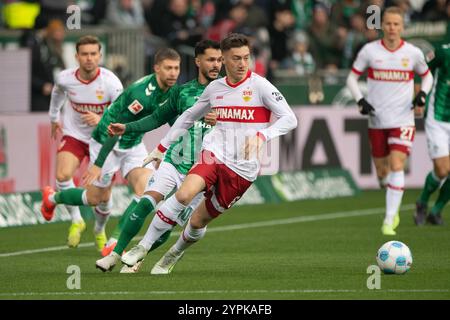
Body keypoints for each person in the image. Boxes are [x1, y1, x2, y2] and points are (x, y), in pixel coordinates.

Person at [132, 33, 297, 275]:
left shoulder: (260, 85)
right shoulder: (215, 88)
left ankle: (174, 253)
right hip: (213, 154)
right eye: (236, 59)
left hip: (242, 170)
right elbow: (188, 116)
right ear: (224, 60)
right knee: (183, 194)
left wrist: (262, 136)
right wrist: (162, 147)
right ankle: (142, 247)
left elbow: (290, 118)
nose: (242, 64)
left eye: (246, 58)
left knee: (197, 222)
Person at [94, 39, 222, 272]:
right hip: (174, 161)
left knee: (168, 220)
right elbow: (156, 118)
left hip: (202, 171)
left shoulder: (228, 94)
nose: (216, 65)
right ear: (198, 61)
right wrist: (127, 127)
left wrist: (223, 119)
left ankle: (139, 256)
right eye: (211, 59)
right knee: (146, 201)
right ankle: (115, 254)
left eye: (220, 60)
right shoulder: (182, 92)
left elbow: (244, 125)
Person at [40, 48, 181, 253]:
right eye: (168, 68)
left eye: (176, 68)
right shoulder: (141, 95)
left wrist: (167, 149)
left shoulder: (172, 92)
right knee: (95, 198)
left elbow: (174, 123)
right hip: (106, 140)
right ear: (157, 68)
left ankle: (114, 242)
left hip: (133, 145)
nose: (173, 73)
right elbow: (115, 129)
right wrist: (98, 164)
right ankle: (52, 198)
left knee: (147, 190)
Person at [346, 6, 434, 236]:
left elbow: (427, 76)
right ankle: (391, 197)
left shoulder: (413, 53)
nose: (392, 28)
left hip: (403, 119)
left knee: (397, 165)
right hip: (377, 119)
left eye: (397, 24)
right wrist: (360, 100)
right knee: (382, 173)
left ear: (403, 26)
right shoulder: (370, 51)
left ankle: (388, 219)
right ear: (382, 25)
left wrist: (422, 94)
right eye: (388, 23)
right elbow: (352, 78)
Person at [47, 35, 123, 249]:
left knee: (102, 197)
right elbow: (57, 93)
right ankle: (76, 220)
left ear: (100, 56)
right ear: (76, 57)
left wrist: (101, 120)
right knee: (62, 174)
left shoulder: (111, 83)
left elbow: (122, 117)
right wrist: (54, 118)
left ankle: (99, 230)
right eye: (84, 54)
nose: (89, 58)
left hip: (102, 140)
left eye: (93, 54)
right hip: (75, 135)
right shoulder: (65, 78)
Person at [414, 42, 450, 226]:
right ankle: (422, 201)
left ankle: (435, 211)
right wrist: (419, 96)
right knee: (443, 169)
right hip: (438, 117)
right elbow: (422, 71)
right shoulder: (444, 52)